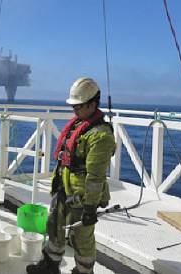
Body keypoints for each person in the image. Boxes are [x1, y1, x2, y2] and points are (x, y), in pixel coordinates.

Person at [27, 77, 116, 274]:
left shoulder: (101, 136)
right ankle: (50, 265)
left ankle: (84, 271)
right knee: (55, 227)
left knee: (81, 237)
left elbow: (95, 176)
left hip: (82, 195)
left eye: (79, 106)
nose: (74, 110)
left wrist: (90, 207)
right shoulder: (78, 124)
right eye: (73, 106)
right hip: (64, 187)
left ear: (93, 104)